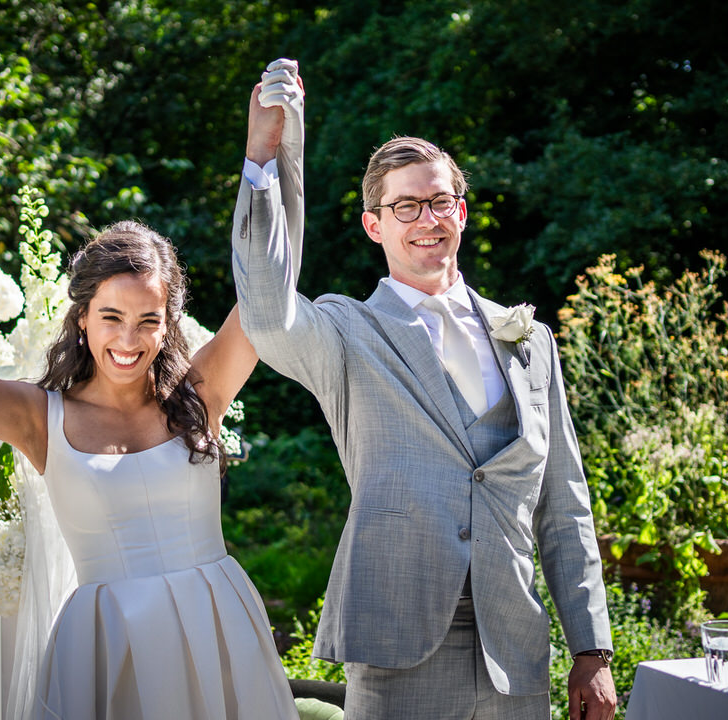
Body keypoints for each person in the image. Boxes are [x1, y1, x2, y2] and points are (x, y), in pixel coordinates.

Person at [0, 114, 299, 720]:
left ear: (169, 325)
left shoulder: (200, 393)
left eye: (149, 320)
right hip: (106, 645)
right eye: (112, 317)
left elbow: (268, 285)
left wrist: (264, 158)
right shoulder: (39, 417)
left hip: (216, 623)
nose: (129, 338)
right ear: (82, 319)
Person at [231, 60, 616, 720]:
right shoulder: (345, 333)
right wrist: (267, 158)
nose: (426, 219)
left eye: (439, 202)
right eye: (405, 206)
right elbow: (266, 310)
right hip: (398, 647)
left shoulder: (531, 340)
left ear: (461, 214)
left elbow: (564, 506)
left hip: (515, 654)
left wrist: (593, 650)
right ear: (374, 225)